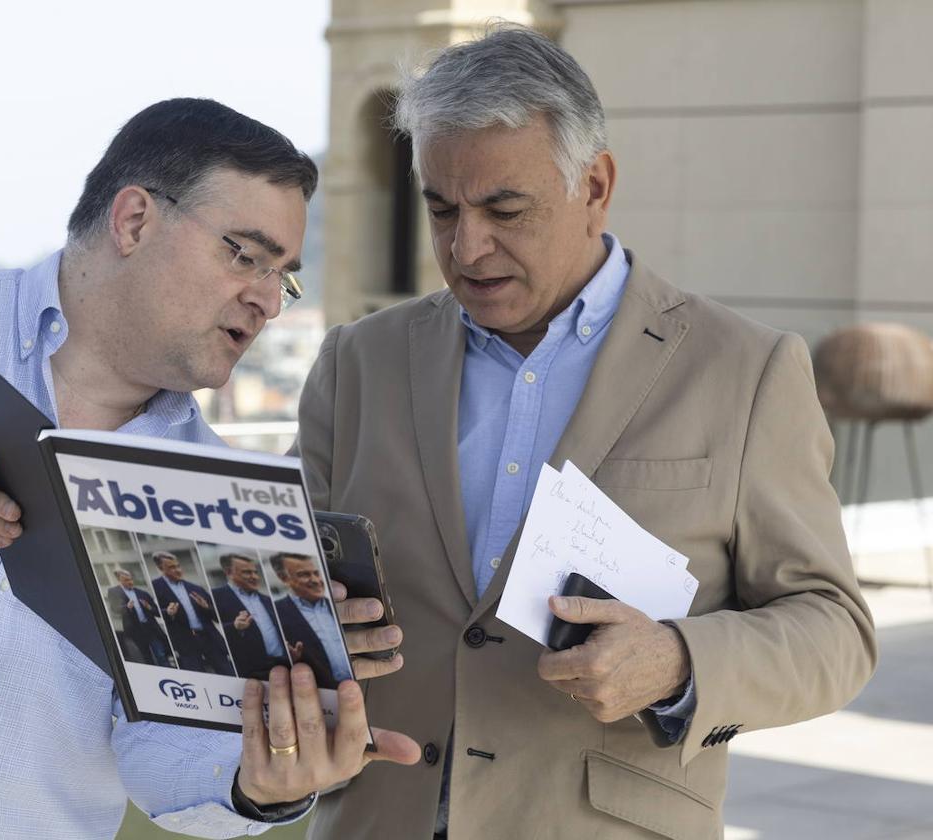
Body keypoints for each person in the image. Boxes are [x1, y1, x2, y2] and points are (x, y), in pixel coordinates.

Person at [0, 97, 419, 840]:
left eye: (282, 276)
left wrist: (258, 782)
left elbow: (158, 750)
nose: (265, 301)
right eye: (244, 254)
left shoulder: (218, 502)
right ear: (133, 221)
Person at [295, 26, 877, 840]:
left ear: (595, 185)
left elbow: (833, 629)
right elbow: (284, 580)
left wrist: (678, 660)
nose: (466, 247)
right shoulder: (357, 362)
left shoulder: (746, 371)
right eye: (440, 209)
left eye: (504, 209)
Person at [270, 552, 354, 691]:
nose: (315, 579)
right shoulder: (275, 614)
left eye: (316, 573)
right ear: (283, 578)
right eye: (304, 575)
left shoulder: (338, 605)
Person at [150, 550, 235, 675]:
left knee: (227, 673)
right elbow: (152, 611)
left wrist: (206, 607)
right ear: (160, 568)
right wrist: (167, 612)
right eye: (172, 567)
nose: (178, 570)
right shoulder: (156, 587)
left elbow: (217, 616)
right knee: (197, 678)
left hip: (209, 639)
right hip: (185, 643)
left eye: (178, 566)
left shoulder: (195, 588)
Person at [210, 552, 291, 679]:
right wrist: (235, 627)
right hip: (250, 672)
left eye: (255, 572)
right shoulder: (215, 597)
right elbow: (209, 632)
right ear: (228, 572)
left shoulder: (266, 599)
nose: (254, 576)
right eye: (247, 572)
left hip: (283, 664)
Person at [107, 568, 171, 666]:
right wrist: (126, 607)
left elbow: (158, 613)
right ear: (119, 580)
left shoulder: (143, 593)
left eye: (131, 579)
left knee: (160, 654)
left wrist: (149, 607)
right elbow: (115, 608)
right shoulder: (114, 592)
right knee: (146, 657)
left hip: (151, 629)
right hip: (135, 630)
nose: (130, 582)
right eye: (126, 580)